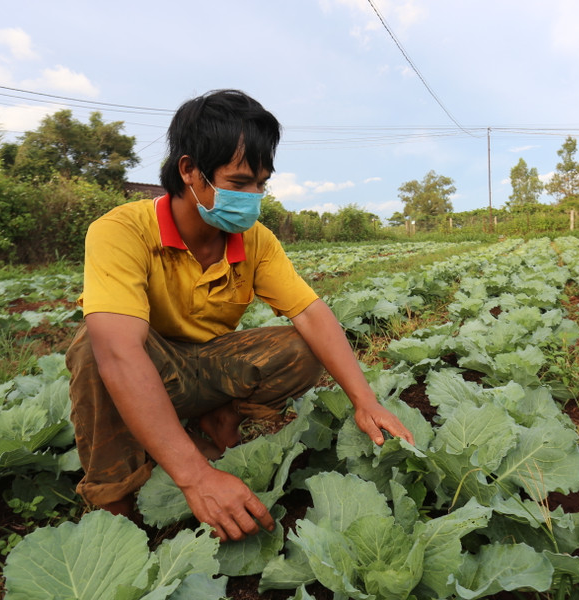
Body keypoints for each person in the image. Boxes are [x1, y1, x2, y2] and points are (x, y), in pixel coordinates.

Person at [66, 89, 414, 542]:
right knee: (93, 345)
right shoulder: (122, 230)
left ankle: (217, 424)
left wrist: (365, 401)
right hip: (146, 369)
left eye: (261, 184)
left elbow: (311, 313)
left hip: (205, 365)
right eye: (239, 182)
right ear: (189, 170)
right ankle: (116, 499)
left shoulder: (255, 240)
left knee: (301, 347)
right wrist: (195, 478)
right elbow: (118, 354)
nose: (253, 197)